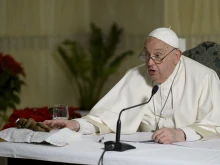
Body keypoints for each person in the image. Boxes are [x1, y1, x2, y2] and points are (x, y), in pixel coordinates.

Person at [43, 27, 220, 144]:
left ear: (176, 56)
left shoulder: (204, 77)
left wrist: (180, 134)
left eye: (158, 56)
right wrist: (76, 124)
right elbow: (107, 118)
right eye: (147, 55)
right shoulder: (136, 75)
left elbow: (215, 124)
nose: (150, 63)